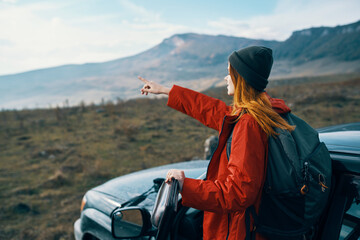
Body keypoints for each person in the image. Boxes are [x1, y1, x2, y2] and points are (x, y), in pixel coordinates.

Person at [139, 46, 295, 240]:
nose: (225, 78)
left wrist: (184, 185)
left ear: (242, 78)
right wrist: (166, 91)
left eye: (229, 73)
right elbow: (214, 111)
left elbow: (238, 193)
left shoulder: (248, 124)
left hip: (238, 230)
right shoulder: (266, 109)